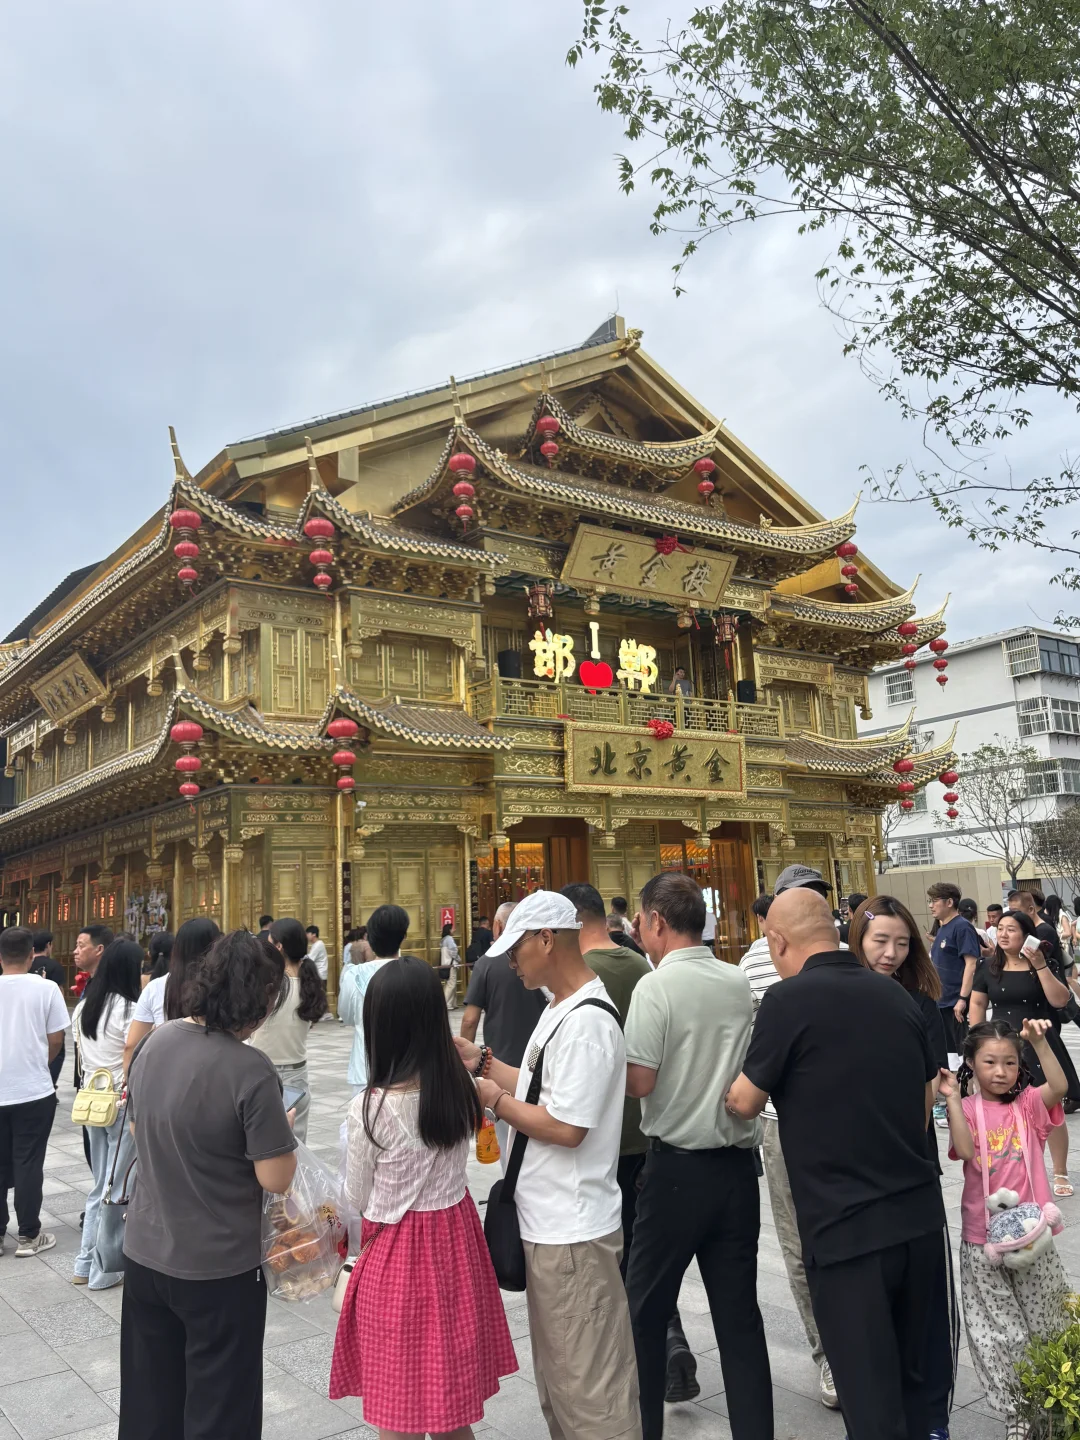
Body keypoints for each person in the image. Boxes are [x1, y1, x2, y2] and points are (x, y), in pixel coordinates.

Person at [727, 887, 944, 1440]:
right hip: (918, 1218)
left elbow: (746, 1102)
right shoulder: (897, 997)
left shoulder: (786, 1000)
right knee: (919, 1383)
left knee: (868, 1394)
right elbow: (925, 1104)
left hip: (846, 1229)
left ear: (776, 941)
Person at [454, 890, 641, 1440]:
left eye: (516, 949)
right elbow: (541, 1087)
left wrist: (492, 1098)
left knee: (590, 1386)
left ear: (546, 939)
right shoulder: (558, 1009)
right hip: (551, 1223)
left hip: (574, 1228)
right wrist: (484, 1061)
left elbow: (566, 1127)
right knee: (561, 1380)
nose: (510, 963)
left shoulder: (585, 1021)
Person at [118, 929, 297, 1440]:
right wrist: (275, 1130)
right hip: (219, 1269)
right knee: (221, 1410)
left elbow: (139, 1125)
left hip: (147, 1252)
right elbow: (276, 1176)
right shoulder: (251, 1070)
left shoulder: (157, 1041)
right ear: (260, 1000)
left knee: (151, 1403)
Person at [330, 956, 518, 1431]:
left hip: (395, 1260)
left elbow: (356, 1195)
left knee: (397, 1414)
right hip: (456, 1251)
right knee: (451, 1410)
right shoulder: (464, 1090)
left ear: (380, 1027)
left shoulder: (369, 1109)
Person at [625, 873, 772, 1440]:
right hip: (736, 1169)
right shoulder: (737, 980)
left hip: (675, 1171)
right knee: (740, 1317)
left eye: (641, 921)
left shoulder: (655, 987)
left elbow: (640, 1080)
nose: (640, 931)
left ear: (657, 921)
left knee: (645, 1310)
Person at [561, 882, 698, 1403]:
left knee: (614, 1254)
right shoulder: (642, 967)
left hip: (597, 1135)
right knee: (646, 1247)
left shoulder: (574, 978)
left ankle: (644, 1350)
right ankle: (669, 1336)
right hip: (645, 1131)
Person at [848, 896, 959, 1439]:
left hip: (910, 1164)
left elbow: (925, 1095)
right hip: (855, 1172)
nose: (891, 953)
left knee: (925, 1299)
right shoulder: (837, 996)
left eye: (901, 943)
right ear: (856, 940)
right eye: (879, 941)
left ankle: (931, 1414)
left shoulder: (920, 1001)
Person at [942, 1019, 1070, 1437]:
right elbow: (963, 1150)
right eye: (990, 1062)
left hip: (1033, 1236)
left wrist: (1040, 1043)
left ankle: (1058, 1404)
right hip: (982, 1240)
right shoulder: (971, 1110)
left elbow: (1060, 1087)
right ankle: (1018, 1412)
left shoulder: (1028, 1105)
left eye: (1010, 1062)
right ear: (971, 1064)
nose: (1000, 1071)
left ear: (1020, 1066)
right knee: (998, 1333)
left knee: (1050, 1321)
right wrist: (954, 1101)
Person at [738, 893, 837, 1410]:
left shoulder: (847, 962)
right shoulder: (751, 965)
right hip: (780, 1123)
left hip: (841, 1116)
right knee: (798, 1243)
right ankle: (828, 1356)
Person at [969, 906, 1080, 1198]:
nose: (1003, 934)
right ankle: (1014, 1167)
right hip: (1002, 1044)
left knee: (1050, 1108)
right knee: (1005, 1109)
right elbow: (978, 1005)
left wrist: (1041, 965)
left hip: (1040, 1041)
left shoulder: (1044, 963)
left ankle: (1059, 1170)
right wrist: (975, 1041)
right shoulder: (987, 966)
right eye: (1000, 928)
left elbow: (1059, 1001)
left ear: (1026, 935)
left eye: (1011, 929)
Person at [71, 938, 141, 1289]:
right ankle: (100, 1267)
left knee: (101, 1181)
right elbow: (132, 1049)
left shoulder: (85, 1007)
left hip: (92, 1101)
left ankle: (85, 1264)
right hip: (119, 1101)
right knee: (115, 1186)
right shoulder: (130, 1009)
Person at [0, 926, 69, 1258]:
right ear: (32, 955)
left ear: (0, 957)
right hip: (33, 1090)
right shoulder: (47, 989)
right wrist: (39, 1064)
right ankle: (28, 1236)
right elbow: (56, 1039)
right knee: (28, 1161)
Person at [461, 901, 547, 1159]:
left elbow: (469, 1019)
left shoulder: (487, 963)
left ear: (497, 925)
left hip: (498, 1065)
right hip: (540, 1065)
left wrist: (464, 1064)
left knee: (509, 1145)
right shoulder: (543, 960)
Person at [249, 918, 328, 1143]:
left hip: (263, 1071)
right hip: (297, 1073)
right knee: (297, 1147)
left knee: (262, 1144)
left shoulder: (268, 989)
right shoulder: (310, 986)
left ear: (279, 947)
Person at [122, 918, 222, 1074]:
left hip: (165, 1073)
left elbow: (132, 1044)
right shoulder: (222, 985)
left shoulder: (155, 987)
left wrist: (129, 1083)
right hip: (212, 1070)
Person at [338, 903, 411, 1095]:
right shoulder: (416, 973)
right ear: (403, 936)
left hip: (365, 1067)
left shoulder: (353, 975)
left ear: (369, 937)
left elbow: (346, 1016)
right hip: (409, 1070)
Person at [928, 882, 982, 1057]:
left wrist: (962, 999)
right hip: (942, 1001)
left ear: (949, 902)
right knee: (950, 1056)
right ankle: (956, 1085)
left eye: (934, 900)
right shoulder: (943, 927)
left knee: (964, 1053)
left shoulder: (962, 927)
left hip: (956, 1003)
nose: (930, 905)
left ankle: (967, 1085)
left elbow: (971, 964)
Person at [30, 930, 67, 1088]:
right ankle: (49, 1083)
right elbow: (60, 994)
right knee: (57, 1050)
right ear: (48, 945)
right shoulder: (54, 966)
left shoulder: (26, 963)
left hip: (31, 1015)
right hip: (49, 1016)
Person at [72, 923, 114, 1000]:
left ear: (99, 949)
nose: (75, 951)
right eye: (76, 946)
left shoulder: (110, 985)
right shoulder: (92, 981)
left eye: (81, 946)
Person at [440, 921, 462, 1008]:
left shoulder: (443, 940)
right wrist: (458, 958)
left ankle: (451, 1003)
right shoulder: (449, 939)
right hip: (451, 964)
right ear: (449, 930)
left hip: (445, 964)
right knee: (451, 984)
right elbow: (453, 951)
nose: (454, 930)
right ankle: (445, 1004)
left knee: (449, 983)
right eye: (453, 928)